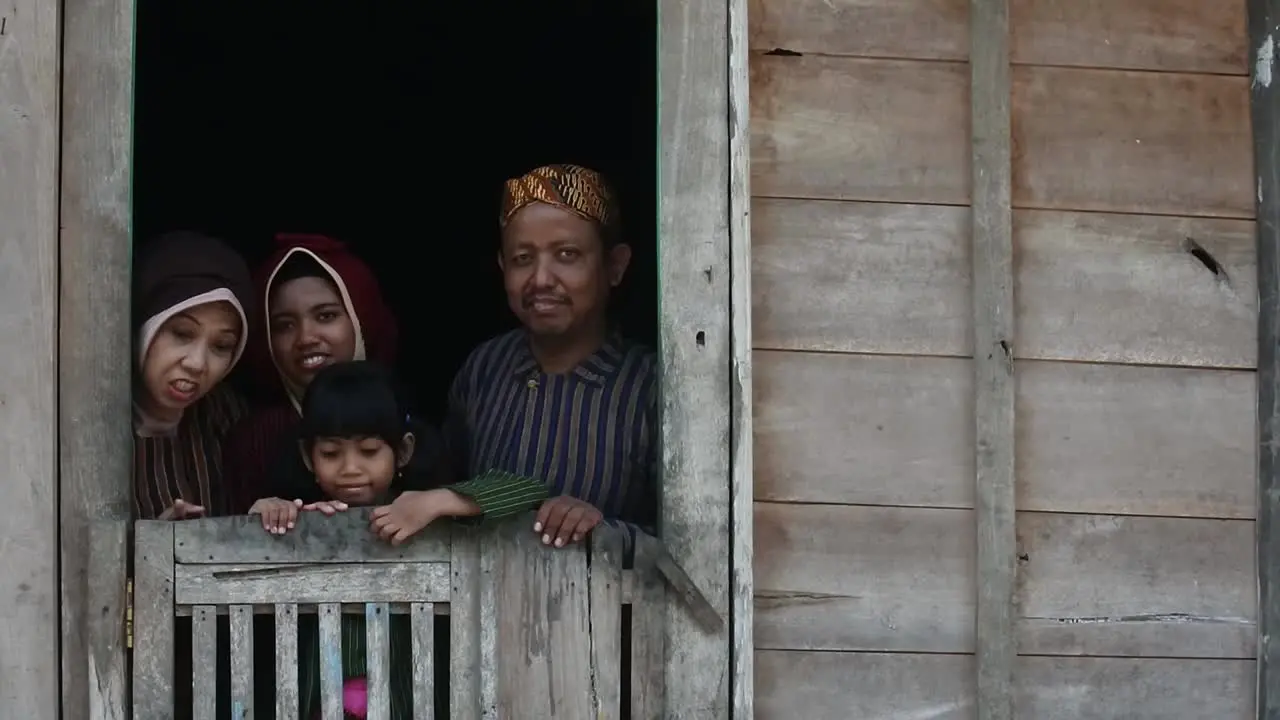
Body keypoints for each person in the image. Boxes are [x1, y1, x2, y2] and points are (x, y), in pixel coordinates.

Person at [247, 361, 546, 718]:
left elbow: (530, 490)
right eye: (330, 453)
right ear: (307, 457)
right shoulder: (304, 516)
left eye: (370, 451)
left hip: (405, 700)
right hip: (315, 700)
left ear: (403, 451)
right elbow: (245, 537)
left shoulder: (427, 514)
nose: (350, 468)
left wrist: (438, 501)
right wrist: (268, 512)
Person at [443, 163, 659, 550]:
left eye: (567, 254)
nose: (541, 279)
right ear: (502, 267)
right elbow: (441, 501)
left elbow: (694, 550)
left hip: (607, 610)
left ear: (615, 266)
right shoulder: (484, 369)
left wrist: (604, 532)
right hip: (483, 607)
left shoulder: (651, 388)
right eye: (523, 258)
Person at [222, 233, 399, 514]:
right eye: (284, 325)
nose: (306, 338)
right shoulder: (252, 442)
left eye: (326, 316)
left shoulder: (403, 420)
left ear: (360, 319)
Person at [132, 230, 253, 521]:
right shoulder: (80, 427)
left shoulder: (230, 418)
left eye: (221, 346)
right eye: (182, 333)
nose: (197, 364)